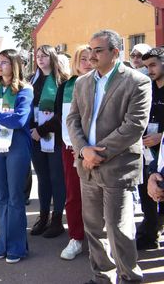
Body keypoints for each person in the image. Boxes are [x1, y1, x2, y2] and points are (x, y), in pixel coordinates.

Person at [67, 29, 150, 284]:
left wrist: (97, 152)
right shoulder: (82, 82)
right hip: (87, 166)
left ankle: (129, 277)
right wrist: (84, 150)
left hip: (118, 166)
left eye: (98, 50)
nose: (91, 55)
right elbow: (72, 119)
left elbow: (134, 125)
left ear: (115, 52)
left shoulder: (137, 81)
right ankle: (102, 276)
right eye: (90, 49)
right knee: (94, 228)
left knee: (118, 229)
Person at [0, 49, 33, 264]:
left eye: (4, 62)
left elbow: (20, 121)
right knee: (1, 198)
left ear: (15, 65)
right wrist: (3, 118)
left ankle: (17, 246)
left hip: (17, 145)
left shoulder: (25, 90)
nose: (0, 66)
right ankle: (3, 242)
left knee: (15, 198)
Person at [55, 45, 93, 260]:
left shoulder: (102, 84)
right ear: (76, 63)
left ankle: (99, 238)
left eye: (91, 58)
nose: (87, 63)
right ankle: (76, 237)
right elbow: (64, 119)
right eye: (83, 59)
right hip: (71, 148)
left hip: (98, 150)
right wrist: (75, 144)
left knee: (99, 196)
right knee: (73, 195)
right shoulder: (66, 86)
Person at [29, 45, 69, 238]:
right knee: (43, 179)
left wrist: (41, 130)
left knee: (56, 179)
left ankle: (56, 220)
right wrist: (32, 129)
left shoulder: (62, 81)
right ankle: (43, 217)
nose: (40, 58)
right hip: (35, 138)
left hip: (54, 137)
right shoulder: (31, 80)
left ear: (52, 57)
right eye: (37, 55)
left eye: (44, 55)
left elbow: (63, 114)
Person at [136, 47, 164, 250]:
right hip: (145, 153)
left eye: (153, 65)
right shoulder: (147, 89)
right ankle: (150, 231)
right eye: (146, 67)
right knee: (145, 192)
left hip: (162, 153)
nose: (149, 70)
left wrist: (161, 137)